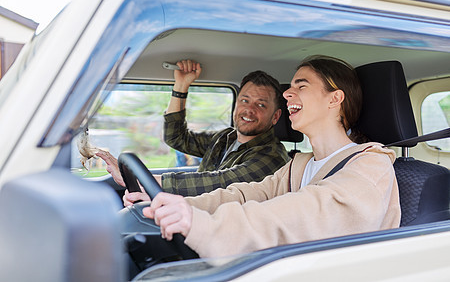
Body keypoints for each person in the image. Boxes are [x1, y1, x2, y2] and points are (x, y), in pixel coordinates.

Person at [141, 55, 401, 258]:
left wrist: (201, 225)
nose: (288, 93)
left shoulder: (371, 164)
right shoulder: (298, 166)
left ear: (335, 99)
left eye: (302, 85)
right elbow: (244, 194)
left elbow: (303, 212)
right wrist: (179, 205)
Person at [97, 59, 290, 199]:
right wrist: (181, 86)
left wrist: (143, 179)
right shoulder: (226, 137)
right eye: (244, 100)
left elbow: (220, 182)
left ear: (275, 117)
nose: (249, 109)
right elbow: (177, 138)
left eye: (261, 105)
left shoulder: (272, 157)